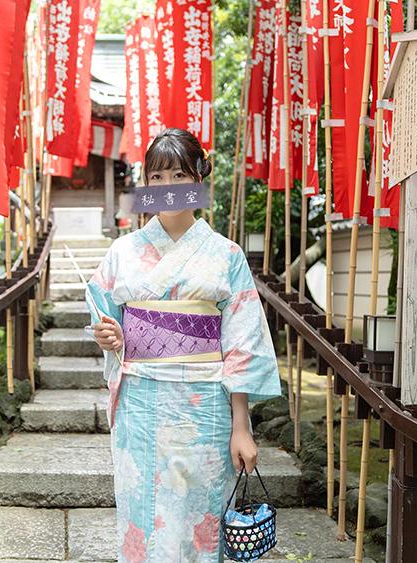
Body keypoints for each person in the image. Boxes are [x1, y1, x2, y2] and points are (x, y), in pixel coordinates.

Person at [85, 128, 281, 562]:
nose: (167, 188)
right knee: (141, 516)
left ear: (198, 178)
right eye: (156, 178)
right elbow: (104, 314)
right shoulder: (123, 252)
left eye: (178, 175)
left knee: (201, 519)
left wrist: (241, 425)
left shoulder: (225, 254)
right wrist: (111, 337)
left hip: (204, 406)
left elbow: (243, 341)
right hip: (141, 403)